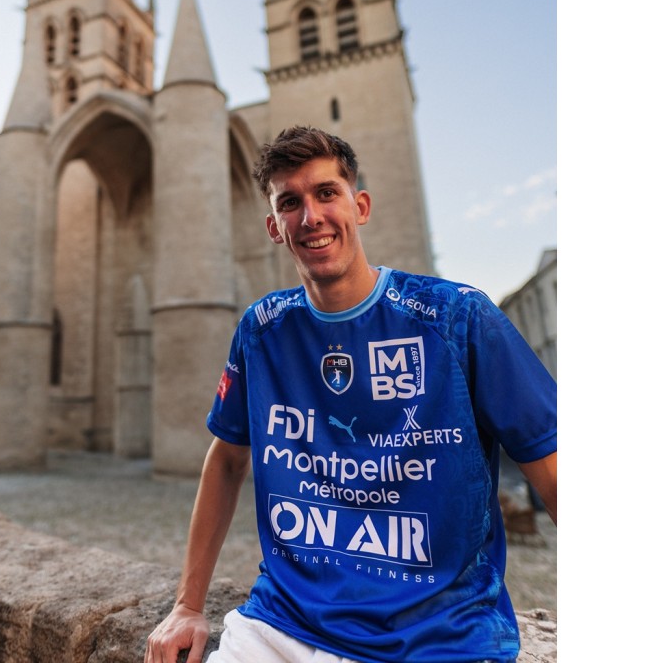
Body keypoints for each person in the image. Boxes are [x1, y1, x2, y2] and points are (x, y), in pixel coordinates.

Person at [145, 126, 557, 663]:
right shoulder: (262, 329)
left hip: (437, 640)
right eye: (290, 202)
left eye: (326, 193)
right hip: (279, 629)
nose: (310, 216)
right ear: (275, 227)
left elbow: (550, 466)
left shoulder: (458, 317)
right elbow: (226, 461)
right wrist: (186, 606)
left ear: (359, 205)